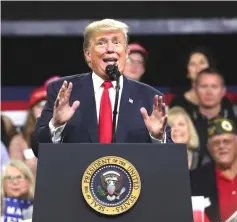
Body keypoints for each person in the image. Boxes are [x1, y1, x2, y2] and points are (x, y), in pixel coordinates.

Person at [31, 18, 172, 156]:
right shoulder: (64, 91)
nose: (110, 49)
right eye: (101, 43)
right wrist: (56, 125)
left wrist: (158, 138)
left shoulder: (149, 97)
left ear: (126, 52)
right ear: (88, 54)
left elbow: (169, 158)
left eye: (117, 42)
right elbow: (38, 149)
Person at [190, 118, 237, 222]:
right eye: (216, 143)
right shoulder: (194, 180)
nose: (222, 146)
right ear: (209, 148)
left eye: (227, 141)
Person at [169, 46, 234, 118]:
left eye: (202, 63)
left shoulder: (224, 102)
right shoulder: (178, 103)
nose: (198, 67)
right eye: (192, 64)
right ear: (187, 72)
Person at [191, 67, 237, 162]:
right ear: (195, 90)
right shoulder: (185, 120)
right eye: (204, 86)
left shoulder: (235, 116)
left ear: (223, 91)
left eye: (214, 87)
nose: (209, 92)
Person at [9, 86, 47, 176]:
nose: (45, 109)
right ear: (32, 110)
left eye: (49, 104)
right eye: (40, 105)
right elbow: (16, 175)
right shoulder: (19, 141)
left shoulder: (66, 136)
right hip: (32, 189)